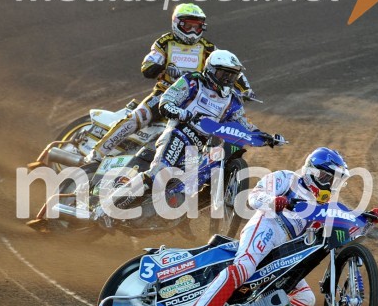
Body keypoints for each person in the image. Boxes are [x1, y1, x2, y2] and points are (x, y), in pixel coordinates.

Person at [183, 147, 378, 306]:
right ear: (313, 172)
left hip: (285, 249)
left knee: (306, 299)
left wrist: (368, 221)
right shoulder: (288, 178)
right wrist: (274, 201)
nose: (331, 185)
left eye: (335, 181)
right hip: (266, 226)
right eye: (328, 178)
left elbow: (345, 230)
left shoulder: (324, 206)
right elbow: (253, 196)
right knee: (244, 267)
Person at [107, 49, 277, 213]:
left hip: (201, 147)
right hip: (179, 133)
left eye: (231, 75)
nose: (226, 79)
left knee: (199, 181)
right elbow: (167, 101)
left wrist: (266, 137)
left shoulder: (234, 101)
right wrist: (183, 113)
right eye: (223, 74)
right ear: (210, 70)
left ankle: (178, 213)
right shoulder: (192, 81)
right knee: (158, 173)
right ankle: (106, 208)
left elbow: (244, 124)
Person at [86, 3, 254, 163]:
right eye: (189, 26)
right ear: (177, 24)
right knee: (137, 118)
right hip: (164, 93)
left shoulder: (208, 47)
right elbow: (148, 66)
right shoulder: (165, 42)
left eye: (197, 26)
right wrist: (162, 68)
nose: (193, 31)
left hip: (195, 97)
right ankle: (97, 153)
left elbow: (227, 65)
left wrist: (246, 89)